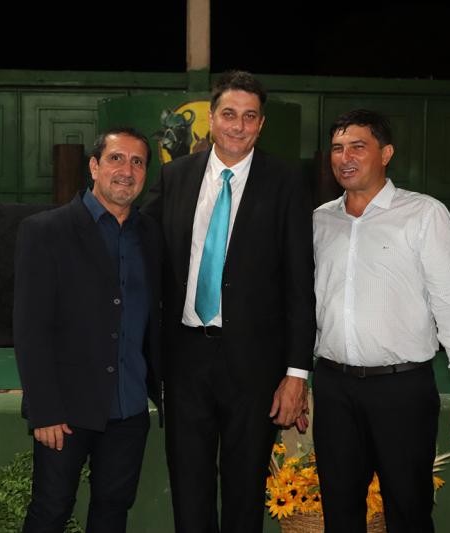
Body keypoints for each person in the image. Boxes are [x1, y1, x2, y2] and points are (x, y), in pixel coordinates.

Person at [140, 70, 317, 533]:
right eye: (229, 114)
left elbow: (302, 284)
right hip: (184, 359)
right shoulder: (175, 175)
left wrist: (297, 373)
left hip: (255, 366)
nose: (238, 126)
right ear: (212, 119)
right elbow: (139, 244)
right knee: (189, 486)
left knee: (244, 492)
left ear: (261, 124)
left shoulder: (286, 183)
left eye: (249, 116)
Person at [312, 108, 450, 532]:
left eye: (358, 146)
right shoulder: (318, 220)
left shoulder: (424, 214)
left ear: (386, 153)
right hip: (332, 390)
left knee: (408, 513)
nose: (345, 157)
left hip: (402, 390)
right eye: (337, 148)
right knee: (339, 515)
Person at [13, 126, 162, 533]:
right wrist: (44, 410)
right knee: (50, 511)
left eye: (137, 162)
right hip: (65, 410)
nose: (126, 171)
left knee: (113, 511)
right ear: (94, 166)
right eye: (116, 159)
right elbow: (30, 331)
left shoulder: (151, 234)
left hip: (130, 407)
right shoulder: (45, 231)